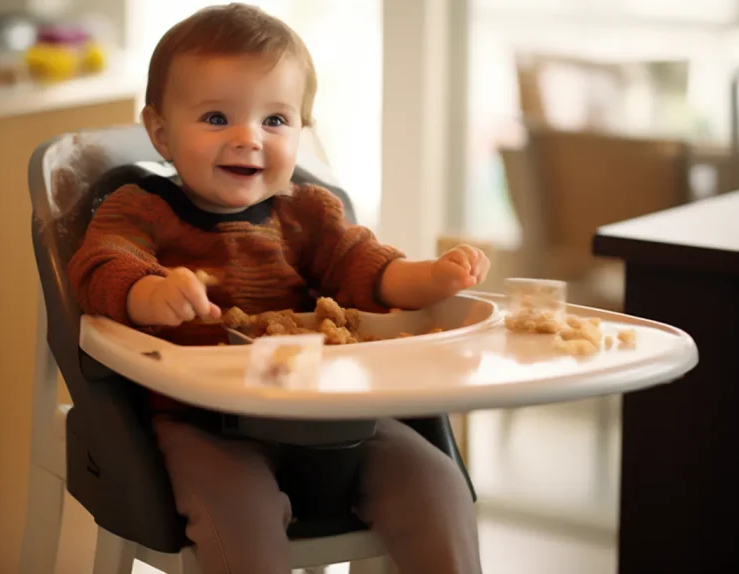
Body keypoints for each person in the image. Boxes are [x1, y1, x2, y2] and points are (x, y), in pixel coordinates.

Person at [67, 4, 488, 572]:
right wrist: (150, 291)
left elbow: (363, 267)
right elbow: (101, 264)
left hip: (325, 410)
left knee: (435, 482)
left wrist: (432, 278)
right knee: (239, 517)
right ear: (161, 132)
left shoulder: (308, 212)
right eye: (216, 118)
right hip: (203, 420)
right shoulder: (140, 209)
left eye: (275, 121)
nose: (248, 139)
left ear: (302, 132)